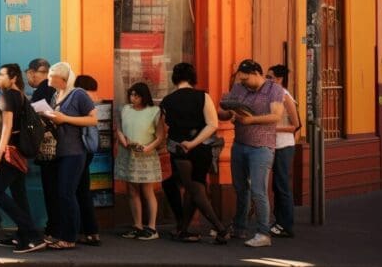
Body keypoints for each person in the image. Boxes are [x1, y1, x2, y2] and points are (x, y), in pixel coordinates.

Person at [159, 62, 230, 244]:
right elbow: (212, 124)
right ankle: (183, 229)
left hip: (180, 148)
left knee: (194, 189)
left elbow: (167, 126)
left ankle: (220, 228)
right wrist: (195, 142)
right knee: (195, 187)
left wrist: (187, 143)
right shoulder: (203, 96)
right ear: (192, 77)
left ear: (174, 78)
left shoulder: (167, 101)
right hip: (202, 148)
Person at [218, 59, 284, 248]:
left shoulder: (274, 89)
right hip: (239, 144)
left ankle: (264, 233)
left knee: (258, 190)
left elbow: (276, 116)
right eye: (242, 79)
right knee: (240, 189)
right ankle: (240, 227)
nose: (244, 83)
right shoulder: (239, 88)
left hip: (261, 147)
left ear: (257, 73)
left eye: (246, 79)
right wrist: (226, 112)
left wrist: (251, 120)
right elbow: (226, 112)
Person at [0, 63, 46, 254]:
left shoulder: (8, 95)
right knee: (19, 195)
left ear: (13, 78)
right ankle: (22, 235)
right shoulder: (17, 95)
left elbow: (7, 127)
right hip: (17, 152)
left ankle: (33, 234)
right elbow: (3, 122)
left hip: (9, 153)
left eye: (2, 75)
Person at [44, 62, 97, 250]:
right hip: (59, 151)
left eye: (51, 76)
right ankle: (63, 233)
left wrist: (64, 119)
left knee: (67, 194)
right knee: (62, 194)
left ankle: (69, 237)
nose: (48, 79)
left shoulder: (78, 94)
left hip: (74, 152)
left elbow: (93, 119)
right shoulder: (55, 95)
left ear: (63, 79)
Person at [115, 82, 163, 241]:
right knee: (132, 190)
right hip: (128, 152)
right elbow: (119, 128)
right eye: (131, 95)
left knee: (147, 190)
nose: (133, 98)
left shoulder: (154, 111)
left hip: (146, 154)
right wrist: (123, 140)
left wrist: (148, 148)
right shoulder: (126, 109)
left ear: (144, 96)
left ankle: (151, 227)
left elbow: (160, 136)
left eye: (136, 95)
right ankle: (137, 225)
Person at [26, 58, 58, 238]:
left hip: (48, 148)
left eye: (30, 73)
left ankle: (53, 227)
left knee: (51, 188)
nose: (29, 78)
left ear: (34, 72)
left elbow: (36, 117)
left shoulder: (42, 90)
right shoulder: (54, 89)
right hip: (60, 147)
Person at [267, 64, 299, 238]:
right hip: (274, 145)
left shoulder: (285, 96)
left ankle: (285, 224)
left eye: (269, 76)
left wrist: (274, 128)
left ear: (279, 79)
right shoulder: (272, 95)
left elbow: (295, 125)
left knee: (282, 185)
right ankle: (278, 222)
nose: (267, 79)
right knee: (277, 185)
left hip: (284, 146)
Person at [73, 75, 102, 245]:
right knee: (83, 190)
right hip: (88, 149)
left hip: (81, 149)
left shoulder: (81, 99)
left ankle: (88, 231)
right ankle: (91, 231)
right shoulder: (93, 100)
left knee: (79, 191)